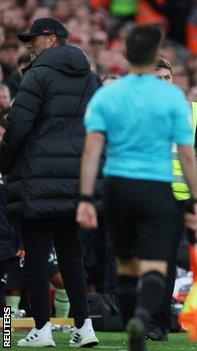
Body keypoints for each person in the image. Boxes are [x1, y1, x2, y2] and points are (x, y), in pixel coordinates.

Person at [76, 25, 197, 351]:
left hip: (118, 188)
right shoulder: (172, 97)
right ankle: (143, 314)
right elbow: (187, 154)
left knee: (127, 266)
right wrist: (195, 199)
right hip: (158, 189)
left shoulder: (108, 94)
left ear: (127, 55)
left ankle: (136, 329)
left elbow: (91, 150)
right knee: (159, 266)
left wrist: (87, 197)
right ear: (152, 53)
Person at [0, 17, 100, 348]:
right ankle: (84, 327)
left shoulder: (37, 75)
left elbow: (18, 128)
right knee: (72, 255)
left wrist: (4, 160)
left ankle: (42, 329)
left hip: (38, 181)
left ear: (50, 38)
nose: (29, 45)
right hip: (75, 180)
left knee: (38, 257)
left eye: (33, 39)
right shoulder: (92, 78)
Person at [146, 56, 197, 341]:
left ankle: (158, 321)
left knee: (165, 261)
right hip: (139, 196)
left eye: (167, 78)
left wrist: (196, 197)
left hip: (174, 199)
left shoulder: (191, 112)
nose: (164, 84)